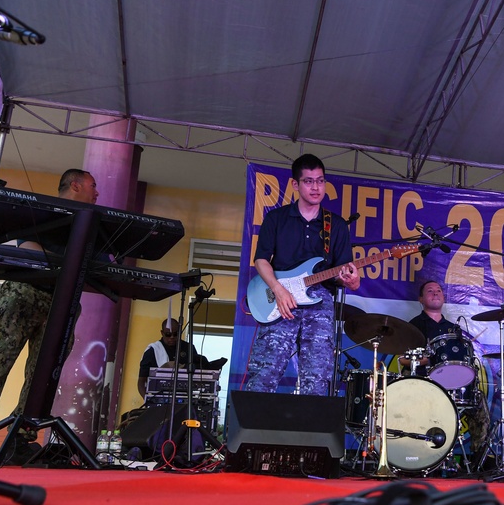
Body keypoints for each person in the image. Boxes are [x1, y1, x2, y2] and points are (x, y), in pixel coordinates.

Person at [0, 169, 99, 463]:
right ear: (75, 185)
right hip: (24, 293)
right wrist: (64, 266)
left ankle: (20, 439)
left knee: (43, 375)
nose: (97, 192)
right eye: (92, 185)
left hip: (61, 302)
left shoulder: (93, 226)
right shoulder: (39, 212)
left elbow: (102, 262)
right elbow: (29, 250)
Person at [244, 154, 360, 395]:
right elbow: (261, 259)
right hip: (281, 297)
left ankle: (311, 431)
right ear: (296, 184)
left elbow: (342, 272)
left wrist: (352, 280)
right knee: (264, 373)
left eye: (320, 180)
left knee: (317, 378)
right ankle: (251, 432)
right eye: (308, 181)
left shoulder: (335, 225)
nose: (316, 187)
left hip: (319, 301)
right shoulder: (277, 218)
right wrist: (277, 289)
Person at [402, 280, 489, 461]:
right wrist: (426, 360)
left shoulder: (453, 329)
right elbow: (403, 358)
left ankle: (479, 458)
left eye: (439, 290)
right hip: (424, 383)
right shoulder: (413, 326)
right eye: (430, 291)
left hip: (451, 385)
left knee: (477, 398)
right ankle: (421, 456)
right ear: (420, 299)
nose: (435, 293)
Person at [136, 318, 227, 398]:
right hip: (159, 397)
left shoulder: (188, 348)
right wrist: (148, 401)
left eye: (175, 334)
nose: (172, 337)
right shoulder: (153, 351)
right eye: (168, 334)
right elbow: (141, 382)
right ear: (162, 333)